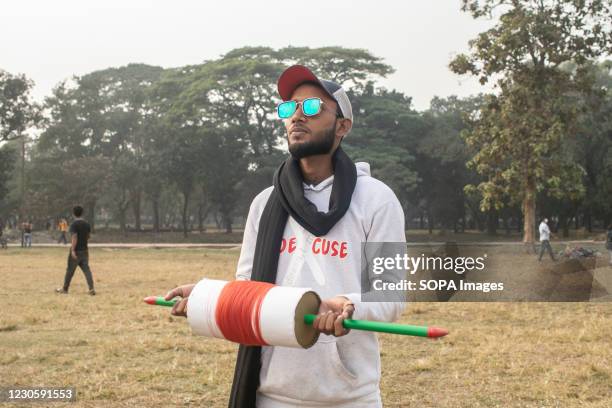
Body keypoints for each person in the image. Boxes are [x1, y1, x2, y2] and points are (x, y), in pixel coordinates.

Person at [164, 65, 406, 408]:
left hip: (350, 397)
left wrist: (350, 306)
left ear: (342, 126)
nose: (296, 117)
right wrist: (210, 296)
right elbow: (248, 289)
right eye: (289, 108)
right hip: (271, 394)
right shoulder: (265, 203)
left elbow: (391, 296)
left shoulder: (376, 200)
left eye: (311, 108)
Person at [56, 206, 96, 295]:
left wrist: (73, 250)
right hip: (85, 250)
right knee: (87, 270)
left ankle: (65, 289)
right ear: (82, 213)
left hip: (76, 250)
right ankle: (91, 288)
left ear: (74, 213)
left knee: (70, 270)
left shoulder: (74, 225)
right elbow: (88, 236)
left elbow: (74, 237)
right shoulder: (87, 224)